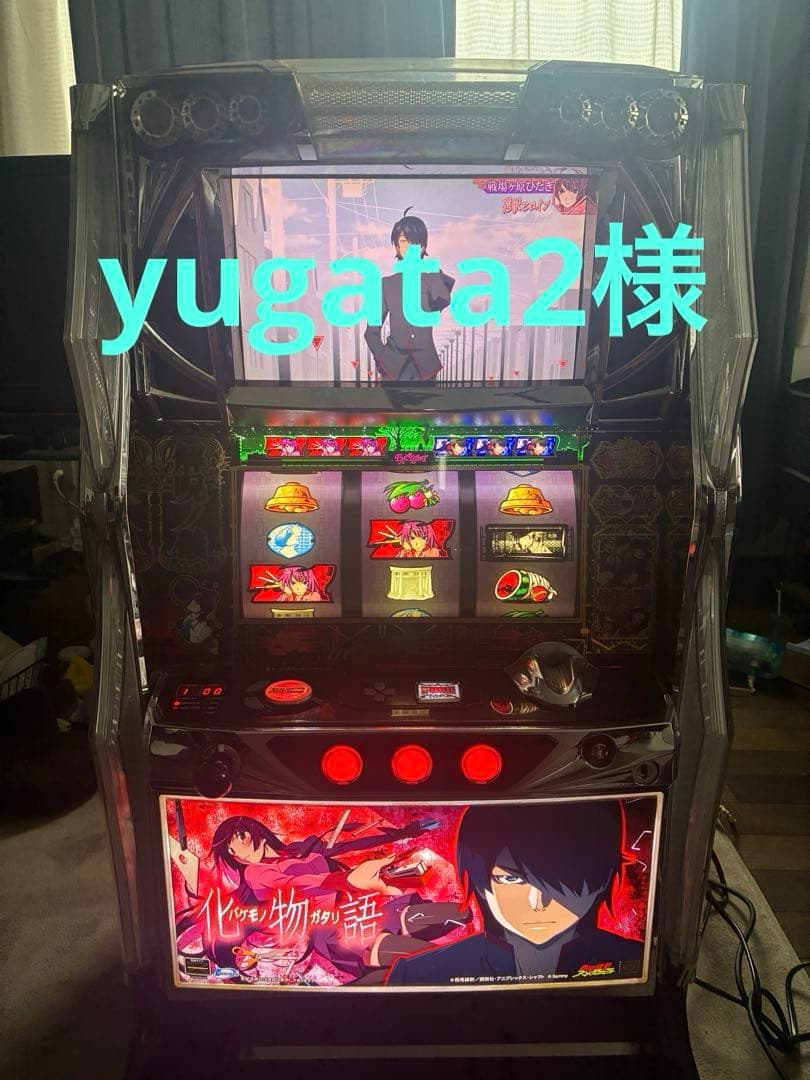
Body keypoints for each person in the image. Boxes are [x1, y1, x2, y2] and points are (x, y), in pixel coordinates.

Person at [173, 813, 469, 983]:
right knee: (441, 963)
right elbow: (295, 883)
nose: (235, 851)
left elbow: (351, 843)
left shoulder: (299, 850)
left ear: (253, 832)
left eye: (237, 839)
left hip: (364, 914)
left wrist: (405, 832)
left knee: (461, 913)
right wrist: (347, 880)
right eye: (228, 850)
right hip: (339, 936)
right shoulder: (256, 874)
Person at [387, 800, 644, 986]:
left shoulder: (636, 960)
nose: (537, 903)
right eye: (511, 879)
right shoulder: (420, 974)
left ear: (601, 879)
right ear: (481, 885)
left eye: (562, 881)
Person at [364, 208, 455, 382]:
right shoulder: (385, 284)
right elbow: (371, 332)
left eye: (414, 242)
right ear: (397, 246)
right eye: (403, 241)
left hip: (426, 369)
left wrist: (430, 270)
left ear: (423, 246)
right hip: (392, 368)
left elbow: (443, 300)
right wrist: (382, 359)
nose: (408, 247)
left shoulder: (432, 278)